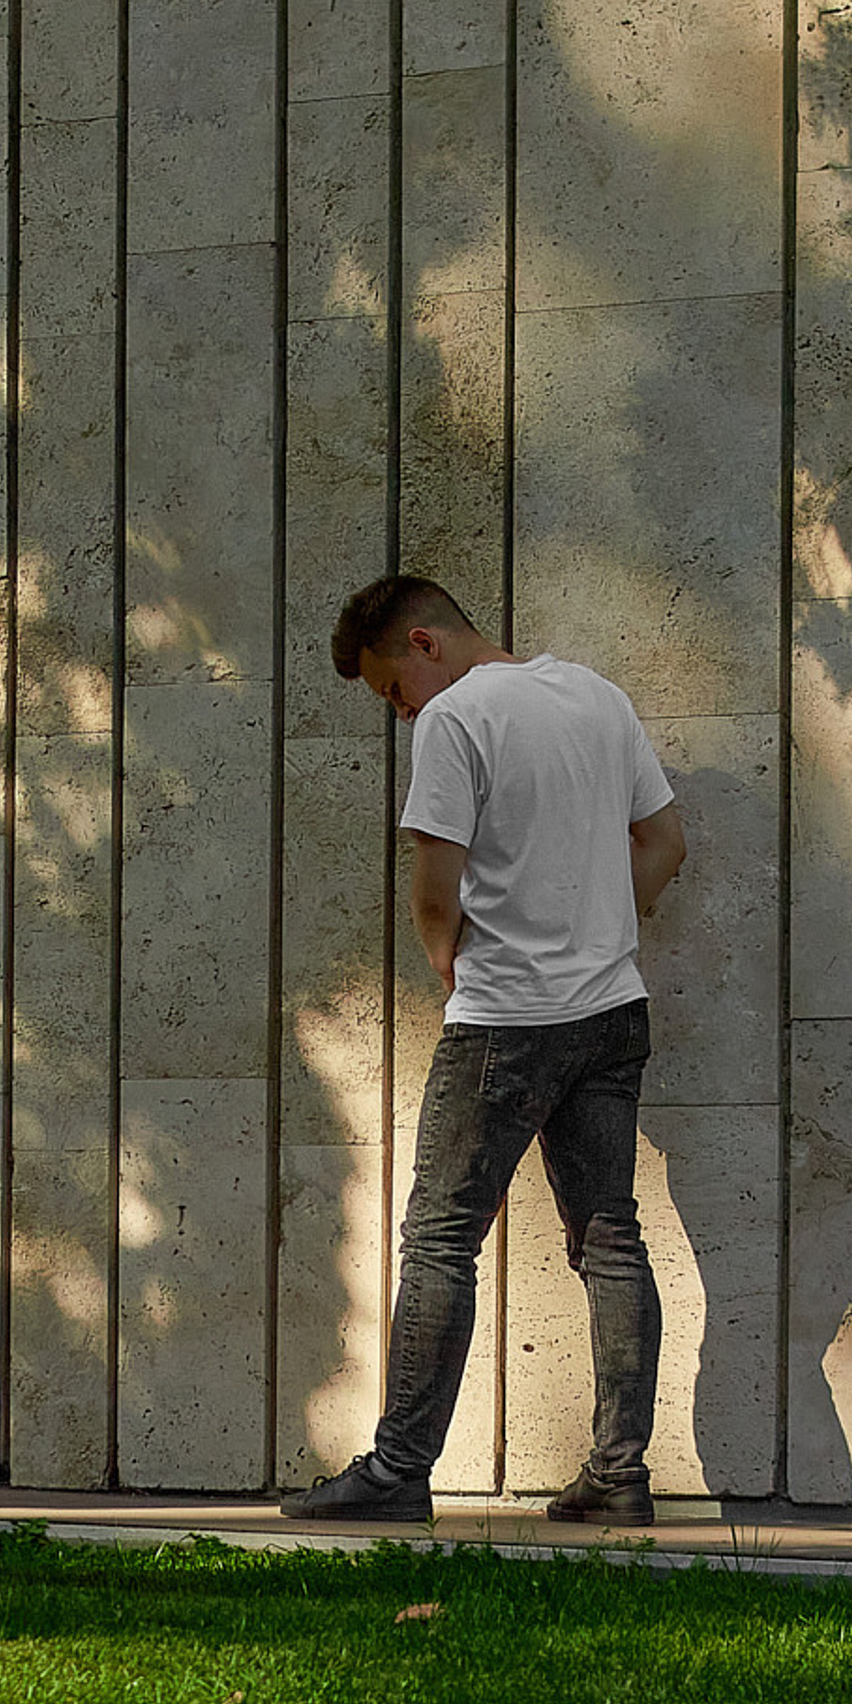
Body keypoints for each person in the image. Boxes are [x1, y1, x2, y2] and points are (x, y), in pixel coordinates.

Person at [283, 574, 687, 1527]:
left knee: (440, 1240)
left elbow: (435, 885)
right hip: (613, 1011)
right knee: (611, 1237)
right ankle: (620, 1475)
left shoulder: (455, 718)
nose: (400, 711)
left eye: (392, 689)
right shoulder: (597, 695)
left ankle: (398, 1471)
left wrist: (449, 962)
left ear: (424, 643)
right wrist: (598, 928)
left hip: (506, 1017)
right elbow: (665, 842)